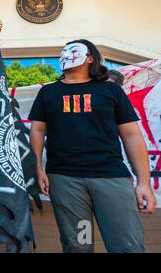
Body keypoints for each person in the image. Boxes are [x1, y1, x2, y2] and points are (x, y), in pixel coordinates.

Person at [29, 39, 156, 253]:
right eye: (65, 50)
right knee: (79, 246)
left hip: (111, 179)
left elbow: (132, 135)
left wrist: (144, 182)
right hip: (67, 183)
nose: (68, 53)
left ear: (90, 59)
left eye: (75, 50)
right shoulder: (48, 93)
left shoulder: (111, 91)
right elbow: (37, 130)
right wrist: (39, 168)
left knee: (126, 245)